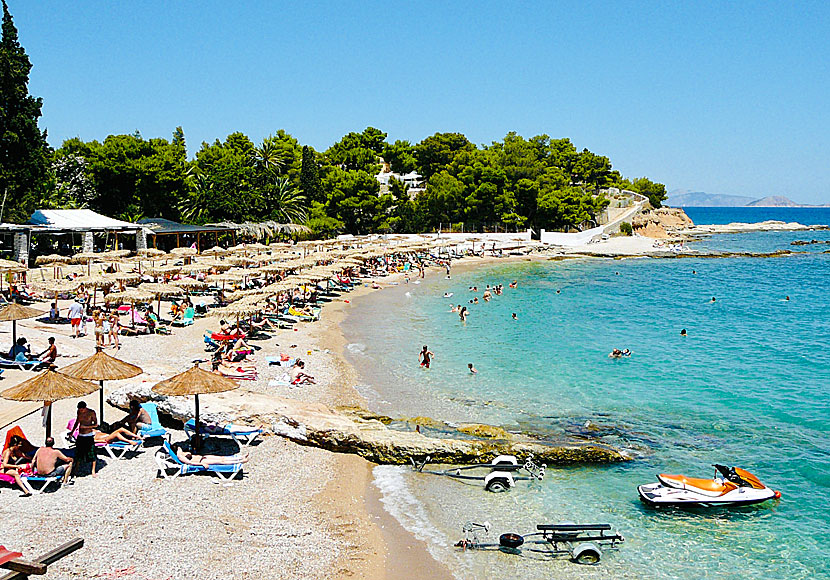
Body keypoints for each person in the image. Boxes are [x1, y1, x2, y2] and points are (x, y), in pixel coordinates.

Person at [74, 401, 98, 476]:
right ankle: (76, 469)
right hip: (81, 435)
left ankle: (93, 471)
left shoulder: (91, 412)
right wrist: (72, 431)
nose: (81, 411)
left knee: (92, 452)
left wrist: (86, 427)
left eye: (82, 410)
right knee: (78, 452)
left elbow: (96, 425)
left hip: (88, 435)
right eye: (80, 410)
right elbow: (77, 421)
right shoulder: (79, 412)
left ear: (85, 408)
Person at [174, 447, 250, 468]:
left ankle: (241, 457)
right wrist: (201, 465)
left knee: (222, 457)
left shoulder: (180, 451)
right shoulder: (180, 456)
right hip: (201, 462)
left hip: (203, 457)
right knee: (222, 461)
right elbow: (190, 462)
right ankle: (240, 461)